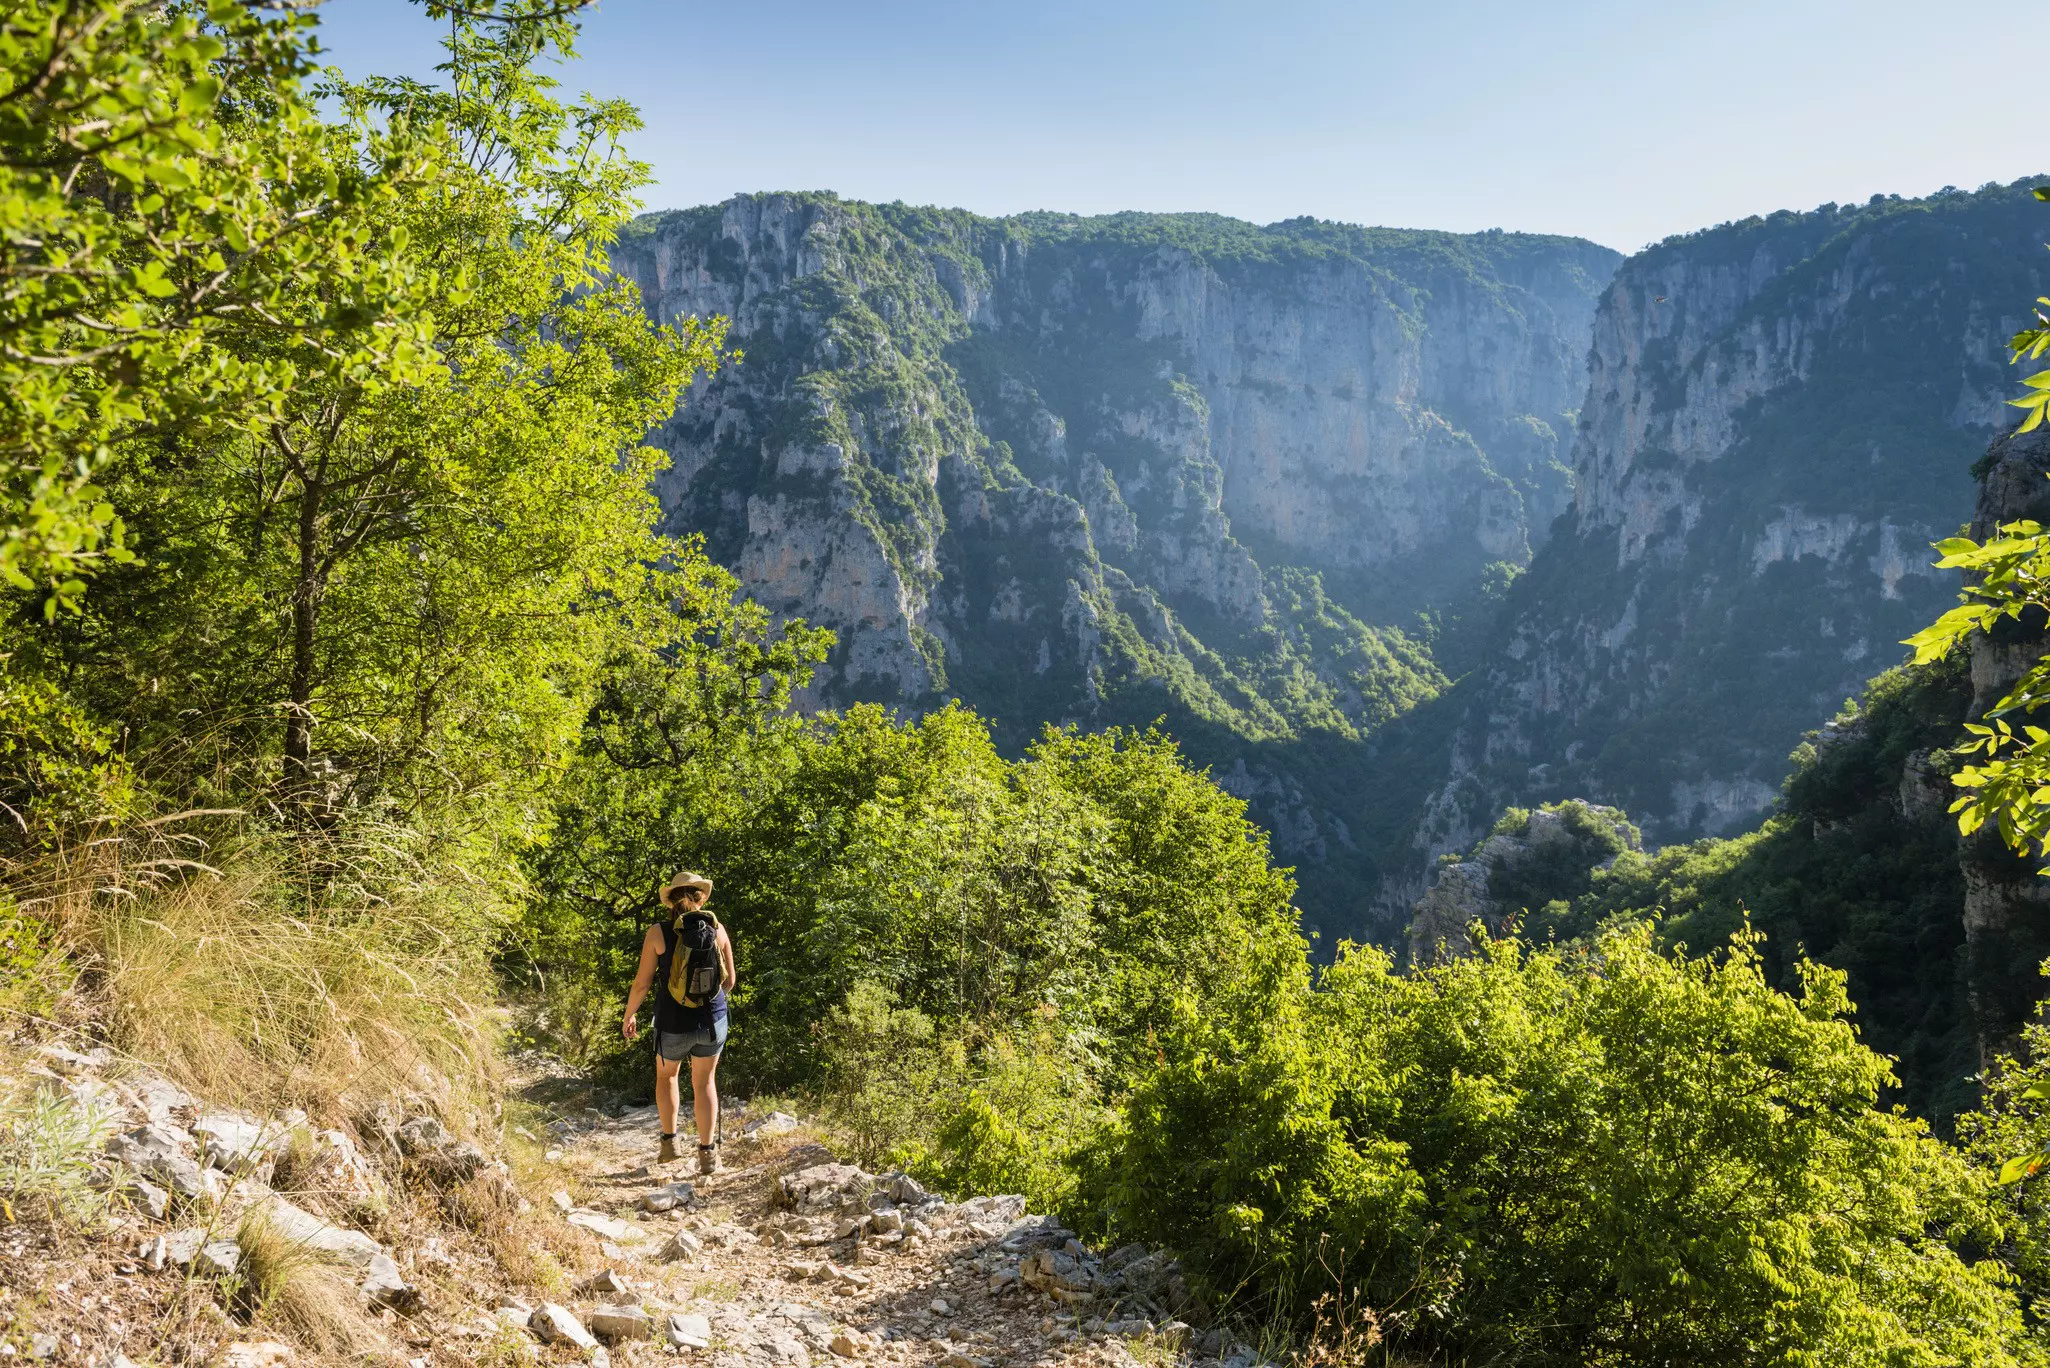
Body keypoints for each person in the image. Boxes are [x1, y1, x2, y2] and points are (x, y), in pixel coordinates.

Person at [622, 869, 736, 1173]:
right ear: (700, 898)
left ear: (670, 900)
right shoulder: (718, 928)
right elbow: (730, 981)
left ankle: (670, 1144)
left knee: (667, 1077)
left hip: (671, 1022)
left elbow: (642, 984)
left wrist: (629, 1014)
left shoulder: (658, 932)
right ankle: (707, 1153)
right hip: (712, 1021)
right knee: (704, 1082)